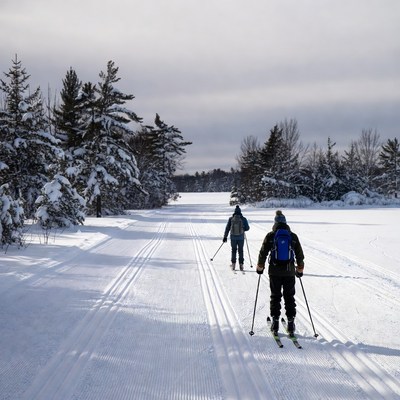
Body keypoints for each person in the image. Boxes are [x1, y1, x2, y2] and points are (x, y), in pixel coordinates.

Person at [256, 210, 304, 334]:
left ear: (275, 223)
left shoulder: (270, 236)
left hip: (274, 271)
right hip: (289, 271)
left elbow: (263, 252)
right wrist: (300, 268)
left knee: (275, 296)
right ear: (285, 222)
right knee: (289, 297)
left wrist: (260, 266)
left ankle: (275, 323)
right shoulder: (292, 236)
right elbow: (299, 254)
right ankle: (291, 323)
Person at [223, 205, 250, 271]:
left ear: (234, 212)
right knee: (240, 250)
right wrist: (243, 228)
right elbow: (247, 228)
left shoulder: (231, 219)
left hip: (233, 237)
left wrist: (225, 237)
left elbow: (227, 228)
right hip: (241, 237)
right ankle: (241, 264)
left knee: (234, 250)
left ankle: (233, 264)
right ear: (240, 212)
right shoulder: (243, 219)